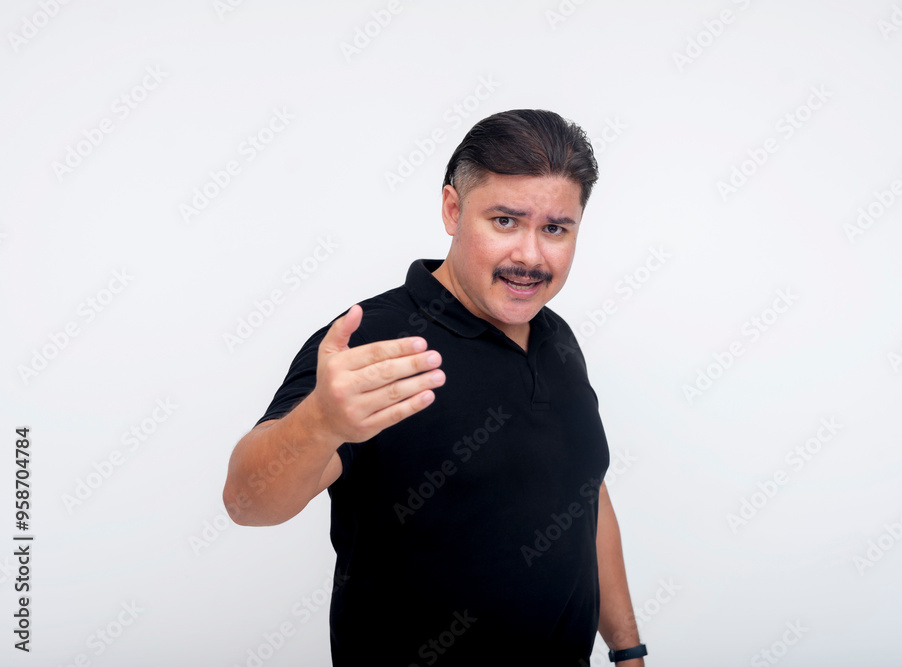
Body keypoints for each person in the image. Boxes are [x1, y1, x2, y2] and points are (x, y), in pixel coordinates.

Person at [223, 109, 647, 666]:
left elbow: (585, 494)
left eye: (554, 229)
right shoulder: (372, 341)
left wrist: (627, 650)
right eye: (504, 221)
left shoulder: (557, 337)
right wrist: (320, 420)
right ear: (452, 210)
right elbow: (247, 503)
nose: (529, 255)